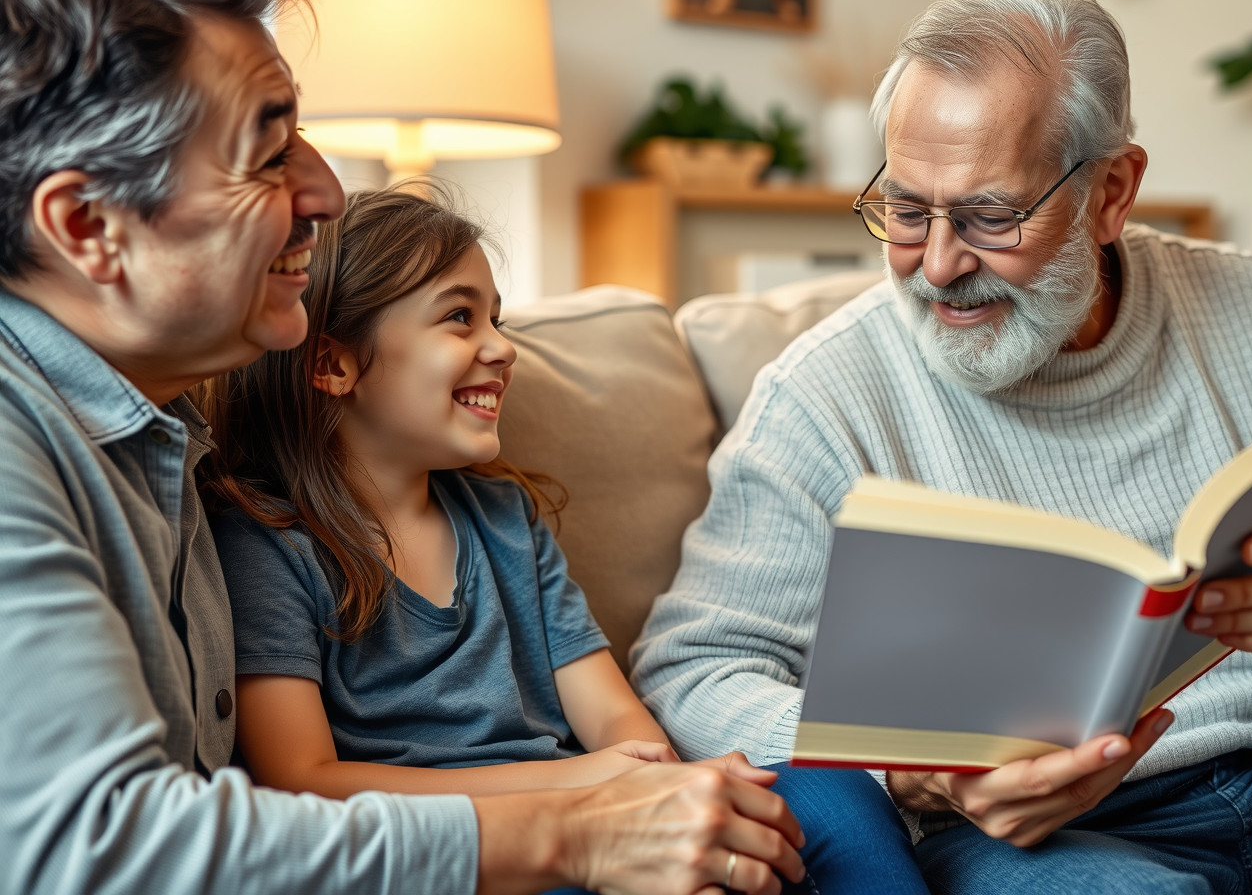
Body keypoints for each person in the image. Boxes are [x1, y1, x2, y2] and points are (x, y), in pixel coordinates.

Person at [630, 0, 1252, 894]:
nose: (938, 266)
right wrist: (912, 770)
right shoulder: (825, 395)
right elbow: (693, 670)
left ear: (1112, 193)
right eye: (906, 210)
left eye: (991, 217)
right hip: (1047, 840)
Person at [0, 0, 802, 895]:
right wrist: (569, 830)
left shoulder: (168, 437)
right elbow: (104, 846)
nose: (327, 193)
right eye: (269, 151)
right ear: (88, 226)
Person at [201, 184, 930, 895]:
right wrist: (583, 781)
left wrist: (668, 782)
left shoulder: (503, 518)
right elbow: (303, 785)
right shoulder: (270, 544)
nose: (500, 348)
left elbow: (611, 714)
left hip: (599, 807)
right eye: (460, 318)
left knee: (830, 795)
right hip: (478, 855)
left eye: (498, 319)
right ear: (333, 364)